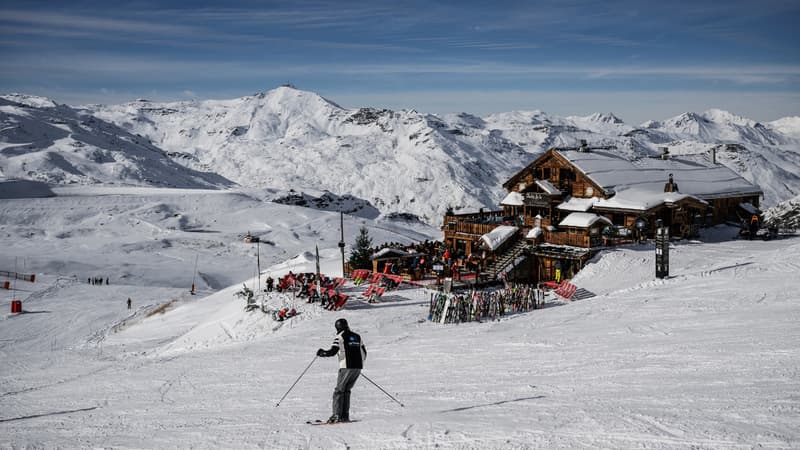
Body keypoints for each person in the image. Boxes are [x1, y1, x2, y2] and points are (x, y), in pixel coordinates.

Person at [316, 318, 367, 423]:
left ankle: (336, 415)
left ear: (337, 327)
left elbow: (333, 352)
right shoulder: (357, 336)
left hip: (346, 367)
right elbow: (364, 352)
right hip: (358, 367)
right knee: (346, 390)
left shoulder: (340, 337)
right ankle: (345, 416)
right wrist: (357, 364)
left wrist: (322, 353)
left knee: (339, 391)